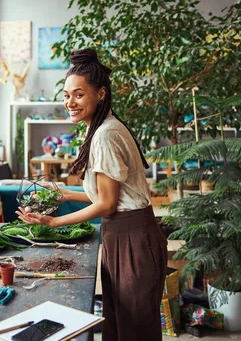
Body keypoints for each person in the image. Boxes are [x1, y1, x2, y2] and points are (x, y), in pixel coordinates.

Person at [17, 48, 168, 341]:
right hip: (121, 235)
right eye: (66, 95)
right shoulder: (97, 128)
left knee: (134, 329)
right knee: (118, 324)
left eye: (78, 95)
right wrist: (64, 193)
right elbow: (108, 196)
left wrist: (54, 223)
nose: (69, 103)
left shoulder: (105, 135)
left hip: (132, 240)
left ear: (100, 93)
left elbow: (108, 204)